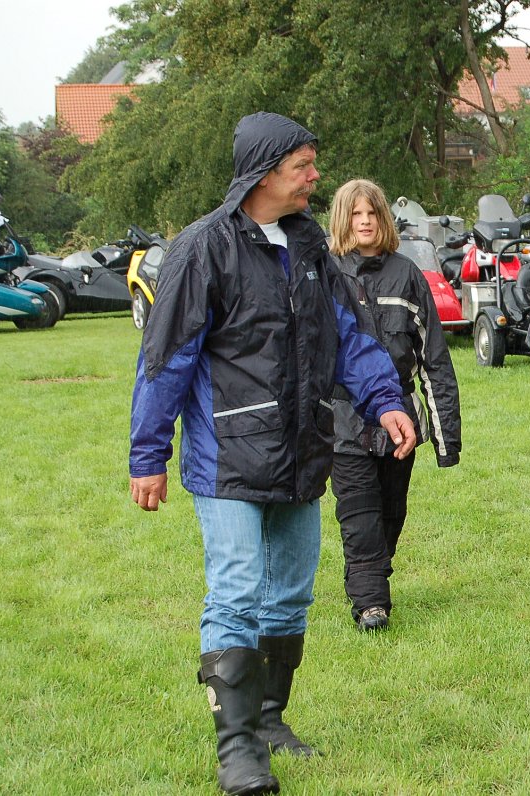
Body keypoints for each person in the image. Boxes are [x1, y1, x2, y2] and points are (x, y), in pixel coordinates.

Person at [129, 112, 415, 796]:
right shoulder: (203, 249)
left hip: (302, 452)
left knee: (288, 597)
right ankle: (237, 753)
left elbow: (348, 336)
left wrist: (386, 399)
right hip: (226, 457)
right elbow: (165, 358)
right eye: (303, 168)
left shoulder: (310, 246)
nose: (316, 178)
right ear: (264, 173)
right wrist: (148, 454)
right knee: (236, 594)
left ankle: (268, 720)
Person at [326, 179, 462, 632]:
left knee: (390, 513)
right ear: (342, 220)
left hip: (400, 424)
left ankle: (370, 578)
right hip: (344, 420)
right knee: (359, 512)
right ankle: (370, 604)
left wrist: (446, 440)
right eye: (355, 214)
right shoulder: (325, 273)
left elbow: (433, 361)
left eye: (371, 213)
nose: (364, 222)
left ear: (383, 219)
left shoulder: (407, 275)